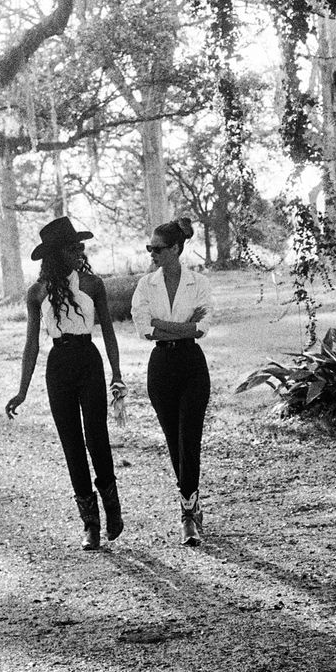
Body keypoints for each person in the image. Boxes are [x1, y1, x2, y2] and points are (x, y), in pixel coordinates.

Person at [5, 215, 126, 550]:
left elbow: (109, 333)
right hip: (57, 366)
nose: (80, 250)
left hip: (88, 360)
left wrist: (116, 373)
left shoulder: (92, 285)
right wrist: (22, 391)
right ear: (56, 253)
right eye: (73, 247)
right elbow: (31, 344)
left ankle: (112, 506)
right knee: (71, 443)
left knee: (96, 437)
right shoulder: (37, 293)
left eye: (80, 245)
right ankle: (90, 523)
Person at [131, 216, 213, 546]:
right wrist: (181, 327)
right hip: (161, 365)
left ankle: (188, 514)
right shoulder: (145, 285)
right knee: (172, 439)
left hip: (192, 364)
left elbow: (204, 326)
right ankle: (191, 503)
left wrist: (165, 325)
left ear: (176, 249)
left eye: (157, 248)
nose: (151, 253)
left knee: (188, 437)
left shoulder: (199, 282)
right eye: (149, 248)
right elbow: (143, 327)